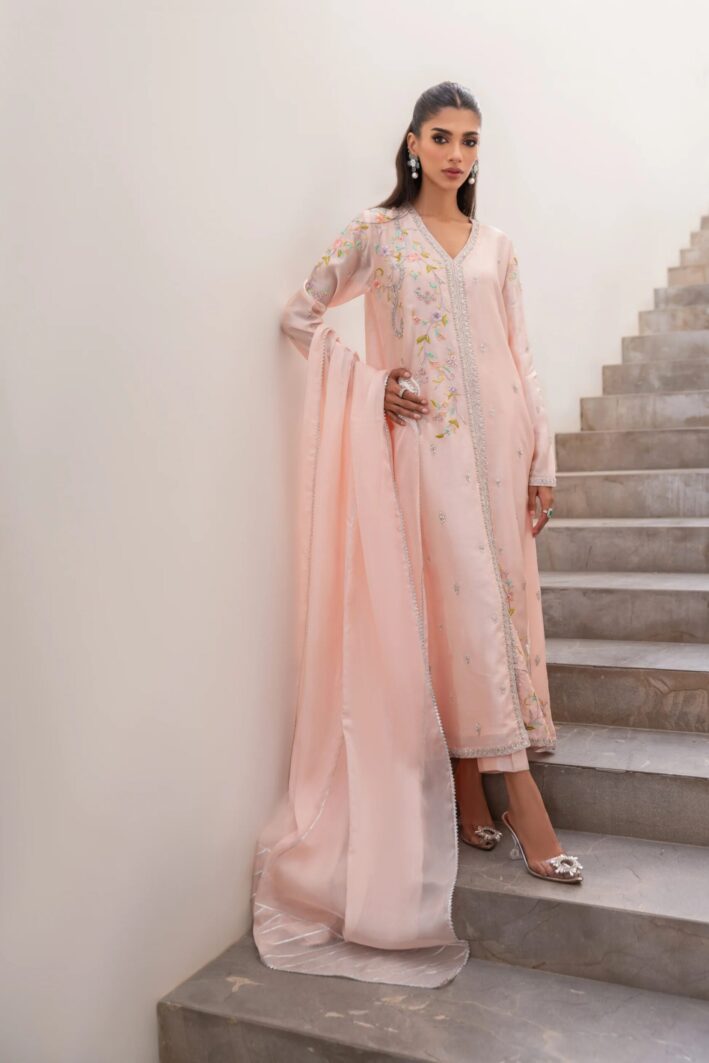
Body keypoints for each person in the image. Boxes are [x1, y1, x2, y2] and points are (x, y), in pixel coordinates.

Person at [251, 80, 582, 990]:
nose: (454, 155)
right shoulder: (376, 234)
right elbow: (299, 316)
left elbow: (521, 355)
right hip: (424, 453)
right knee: (453, 613)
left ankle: (472, 789)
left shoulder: (497, 246)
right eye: (440, 137)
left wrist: (543, 460)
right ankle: (520, 801)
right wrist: (373, 386)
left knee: (496, 610)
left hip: (501, 447)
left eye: (468, 141)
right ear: (410, 142)